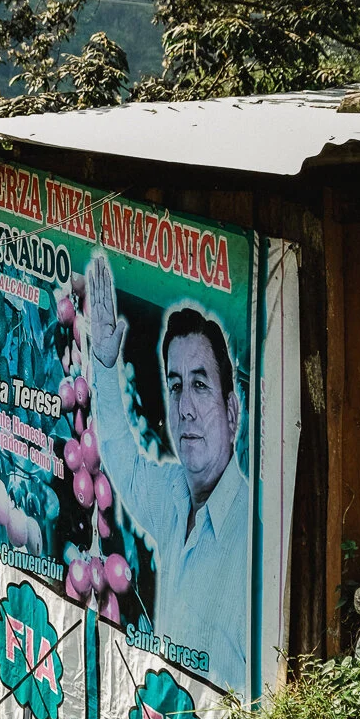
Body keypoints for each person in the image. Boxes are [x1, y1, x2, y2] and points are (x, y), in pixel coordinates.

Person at [87, 254, 249, 694]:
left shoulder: (251, 530)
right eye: (175, 386)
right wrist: (104, 361)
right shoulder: (175, 495)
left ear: (232, 411)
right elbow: (122, 457)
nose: (184, 409)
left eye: (200, 385)